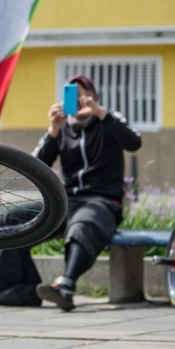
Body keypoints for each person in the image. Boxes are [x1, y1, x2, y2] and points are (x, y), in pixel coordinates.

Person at [31, 74, 142, 311]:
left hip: (103, 202)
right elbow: (35, 167)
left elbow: (133, 143)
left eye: (84, 94)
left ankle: (66, 286)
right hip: (67, 202)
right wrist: (53, 130)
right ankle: (2, 288)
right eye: (73, 94)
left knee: (83, 223)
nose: (79, 99)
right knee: (12, 220)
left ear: (95, 97)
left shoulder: (108, 119)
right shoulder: (62, 128)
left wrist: (101, 113)